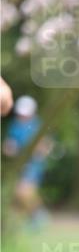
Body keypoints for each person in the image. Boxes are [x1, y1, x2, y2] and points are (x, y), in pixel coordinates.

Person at [2, 94, 53, 226]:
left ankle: (39, 218)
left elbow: (46, 146)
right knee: (19, 193)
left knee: (25, 191)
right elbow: (10, 144)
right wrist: (9, 148)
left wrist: (40, 151)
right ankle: (33, 218)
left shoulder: (37, 125)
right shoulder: (15, 125)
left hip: (33, 164)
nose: (22, 116)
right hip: (19, 164)